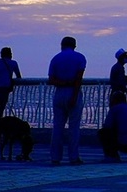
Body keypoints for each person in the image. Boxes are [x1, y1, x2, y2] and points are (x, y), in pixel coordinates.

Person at [48, 36, 87, 165]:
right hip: (72, 91)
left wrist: (62, 82)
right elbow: (78, 79)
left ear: (62, 45)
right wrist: (74, 95)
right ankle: (73, 157)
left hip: (59, 92)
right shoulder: (80, 58)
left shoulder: (55, 59)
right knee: (74, 127)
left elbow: (51, 79)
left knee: (58, 126)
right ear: (74, 45)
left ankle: (55, 157)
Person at [0, 47, 22, 126]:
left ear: (1, 54)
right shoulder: (13, 63)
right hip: (4, 90)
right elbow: (18, 76)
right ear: (10, 54)